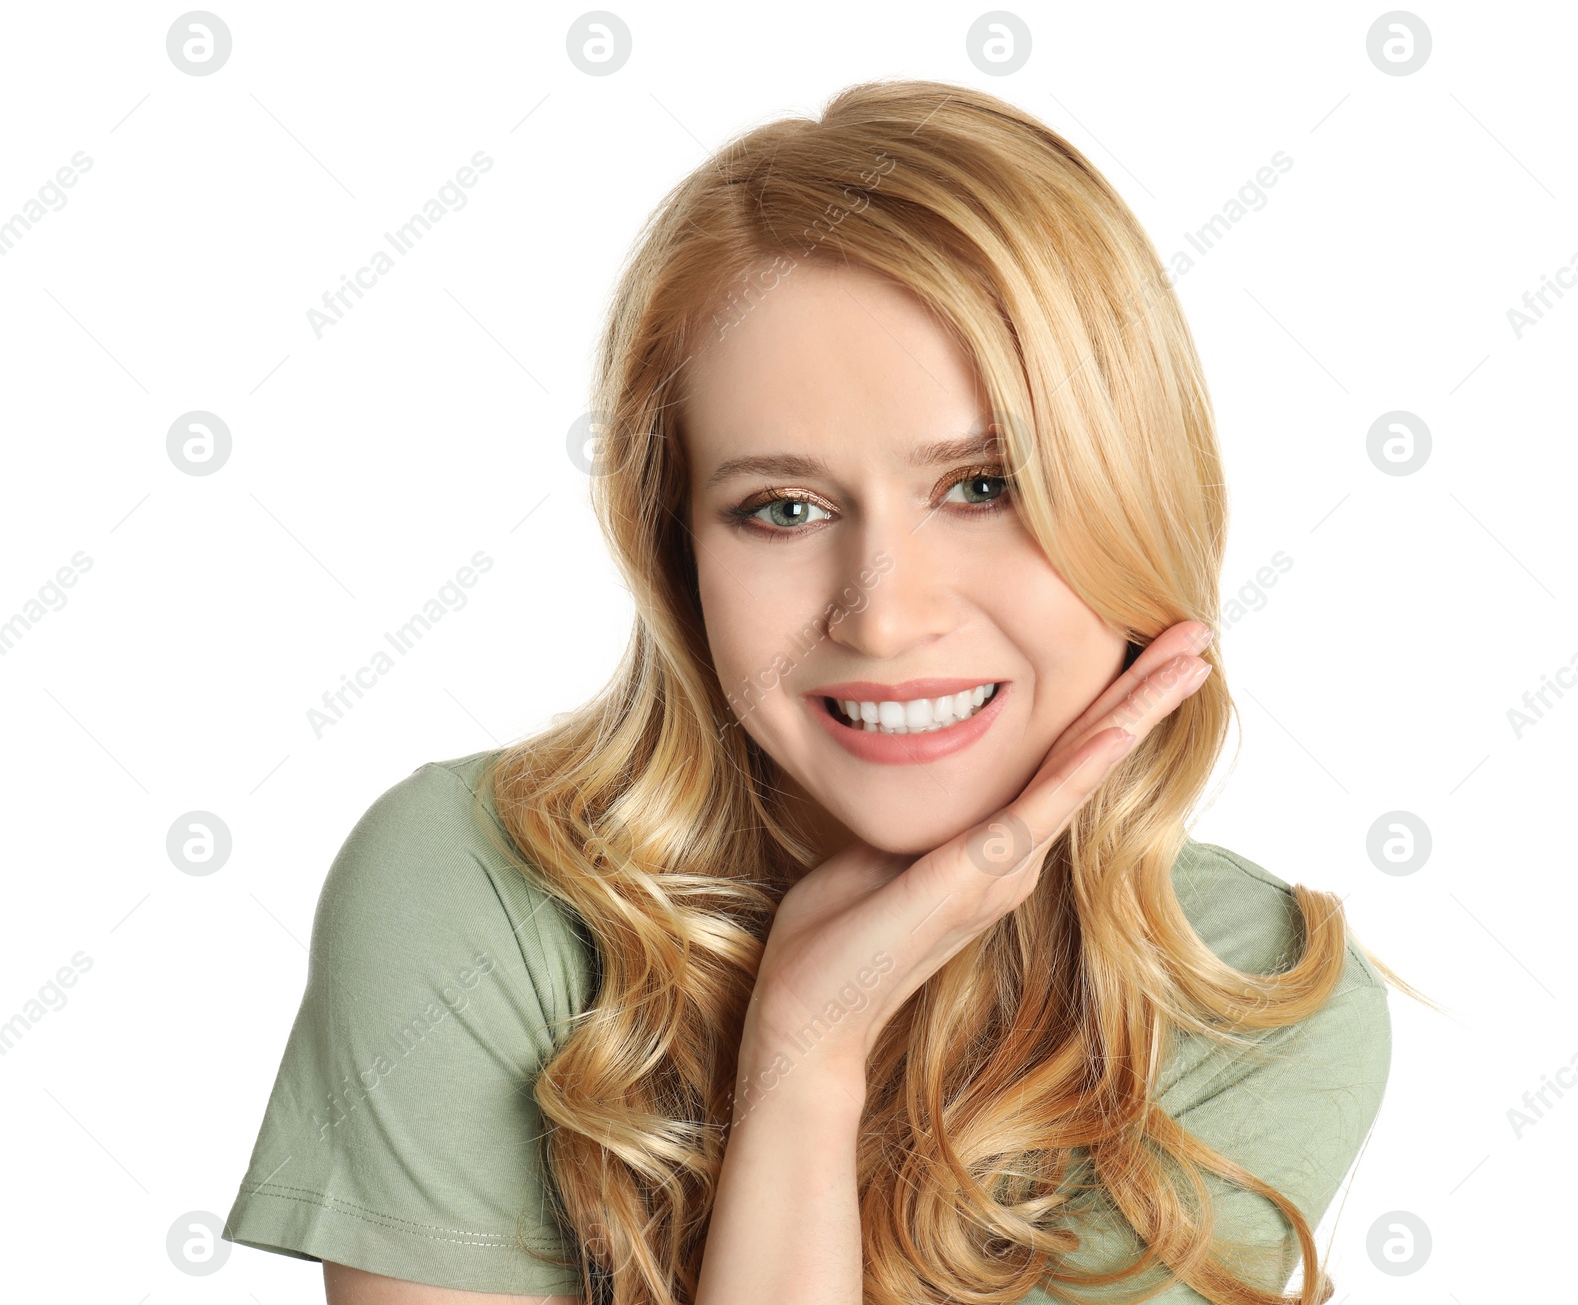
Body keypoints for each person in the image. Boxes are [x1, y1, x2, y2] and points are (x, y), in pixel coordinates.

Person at [222, 79, 1426, 1305]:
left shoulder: (1254, 1000)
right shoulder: (474, 880)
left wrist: (805, 1065)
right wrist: (802, 1058)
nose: (885, 614)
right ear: (678, 552)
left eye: (983, 485)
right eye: (781, 509)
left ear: (1138, 491)